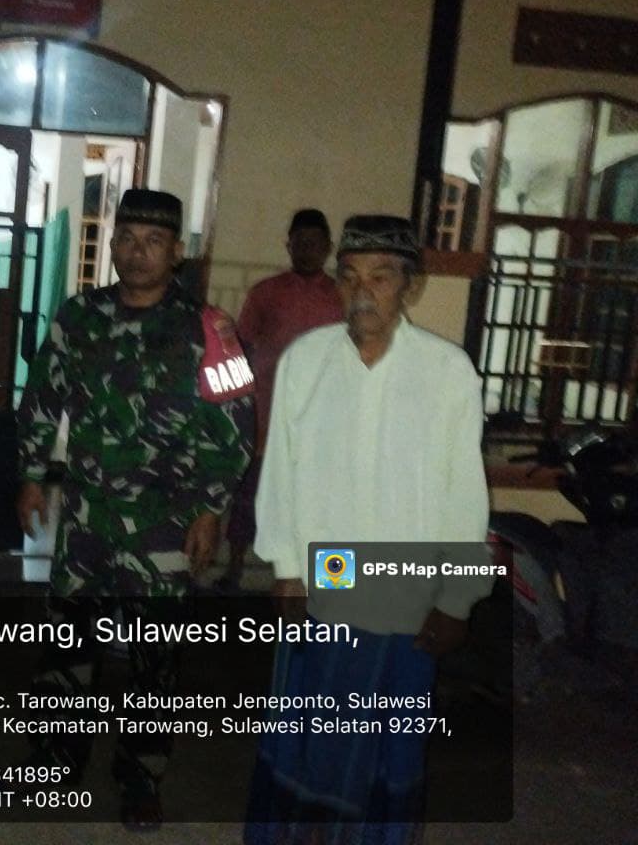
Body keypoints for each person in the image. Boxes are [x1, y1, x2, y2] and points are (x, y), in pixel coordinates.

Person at [245, 215, 493, 845]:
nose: (363, 292)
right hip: (324, 582)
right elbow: (282, 471)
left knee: (387, 744)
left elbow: (464, 493)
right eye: (351, 277)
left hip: (406, 592)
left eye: (381, 278)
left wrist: (457, 598)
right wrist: (286, 569)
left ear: (411, 286)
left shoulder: (448, 372)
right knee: (307, 733)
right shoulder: (307, 361)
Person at [16, 188, 255, 831]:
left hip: (164, 525)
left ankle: (142, 775)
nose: (137, 252)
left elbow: (234, 425)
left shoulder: (211, 329)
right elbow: (43, 397)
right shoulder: (79, 317)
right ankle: (55, 761)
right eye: (126, 238)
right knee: (66, 647)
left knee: (156, 660)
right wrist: (32, 475)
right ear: (112, 243)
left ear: (176, 252)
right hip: (87, 519)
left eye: (153, 241)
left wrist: (211, 508)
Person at [218, 208, 343, 591]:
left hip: (322, 420)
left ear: (328, 248)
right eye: (299, 243)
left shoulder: (341, 295)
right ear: (288, 246)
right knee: (250, 496)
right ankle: (234, 569)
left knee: (321, 503)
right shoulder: (265, 293)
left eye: (314, 244)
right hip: (266, 413)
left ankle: (327, 581)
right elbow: (240, 348)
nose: (306, 250)